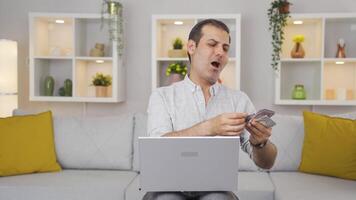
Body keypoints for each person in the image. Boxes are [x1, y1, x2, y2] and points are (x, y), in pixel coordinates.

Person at [144, 19, 277, 200]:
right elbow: (156, 148)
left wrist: (260, 142)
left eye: (225, 48)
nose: (220, 52)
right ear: (191, 47)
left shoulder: (238, 100)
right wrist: (209, 128)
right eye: (212, 44)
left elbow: (266, 163)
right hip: (167, 187)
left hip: (215, 189)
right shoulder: (162, 96)